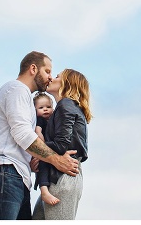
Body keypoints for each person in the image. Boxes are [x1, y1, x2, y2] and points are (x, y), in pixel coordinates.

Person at [0, 51, 80, 220]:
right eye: (47, 71)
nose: (50, 77)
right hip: (5, 170)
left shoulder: (16, 94)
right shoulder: (17, 90)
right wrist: (57, 160)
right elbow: (22, 134)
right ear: (33, 68)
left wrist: (31, 160)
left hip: (16, 175)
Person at [32, 68, 92, 220]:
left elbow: (61, 145)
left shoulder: (65, 105)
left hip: (64, 177)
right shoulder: (64, 108)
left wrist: (36, 148)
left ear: (66, 83)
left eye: (57, 76)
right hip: (58, 176)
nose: (52, 78)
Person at [33, 92, 60, 206]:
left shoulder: (53, 120)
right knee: (42, 167)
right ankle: (44, 191)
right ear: (34, 110)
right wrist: (43, 145)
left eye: (48, 107)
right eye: (41, 107)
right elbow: (38, 131)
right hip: (42, 149)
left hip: (49, 149)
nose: (45, 110)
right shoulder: (39, 120)